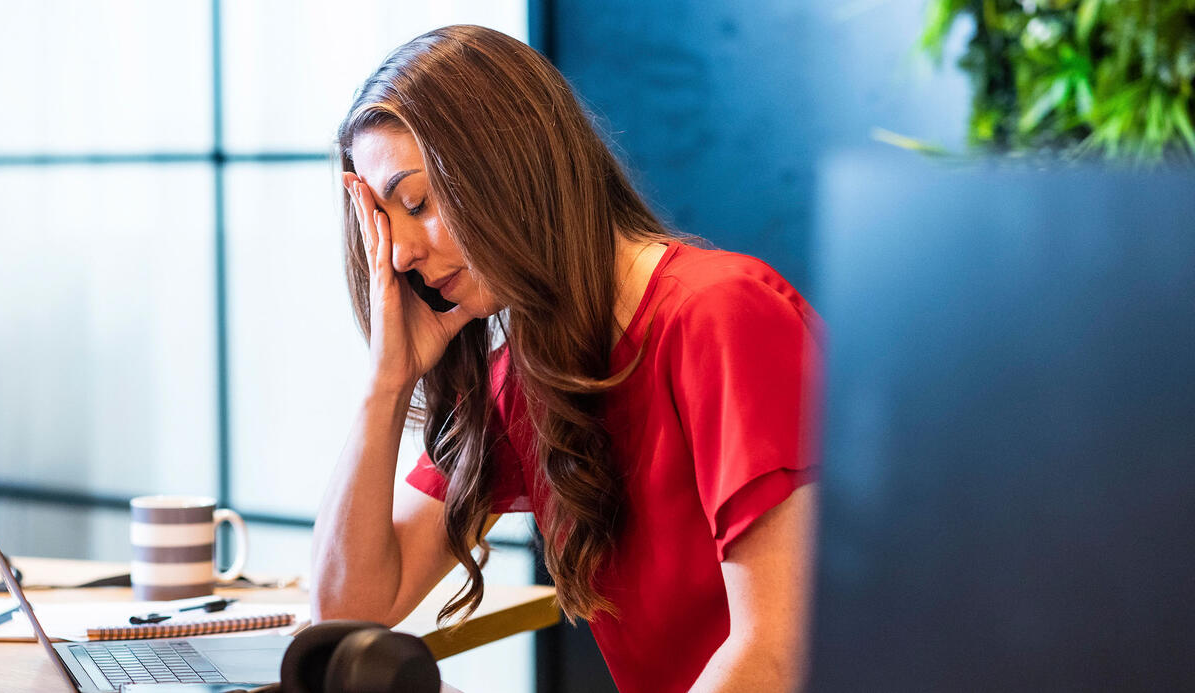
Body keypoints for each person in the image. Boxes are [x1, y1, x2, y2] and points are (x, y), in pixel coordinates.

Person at [310, 24, 822, 693]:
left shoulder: (722, 314)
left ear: (511, 165)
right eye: (384, 224)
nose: (400, 254)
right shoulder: (527, 376)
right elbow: (349, 611)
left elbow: (774, 655)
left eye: (418, 202)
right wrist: (385, 382)